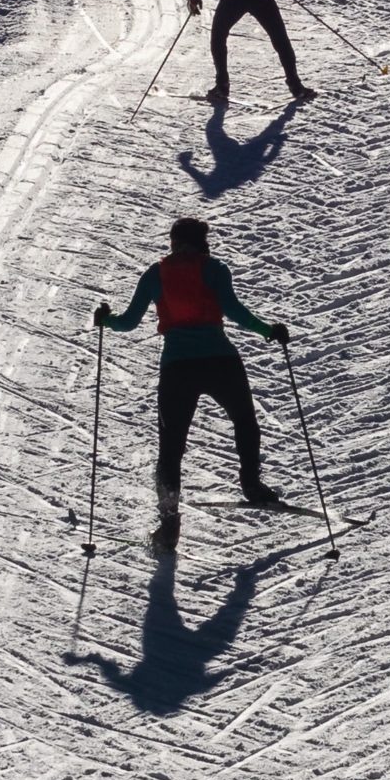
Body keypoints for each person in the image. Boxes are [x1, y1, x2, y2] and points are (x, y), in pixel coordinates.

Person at [94, 215, 291, 553]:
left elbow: (128, 323)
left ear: (172, 241)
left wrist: (105, 320)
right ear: (204, 242)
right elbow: (233, 311)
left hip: (177, 368)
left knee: (171, 448)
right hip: (220, 361)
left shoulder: (155, 274)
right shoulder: (214, 269)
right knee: (244, 421)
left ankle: (169, 523)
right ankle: (251, 484)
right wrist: (269, 331)